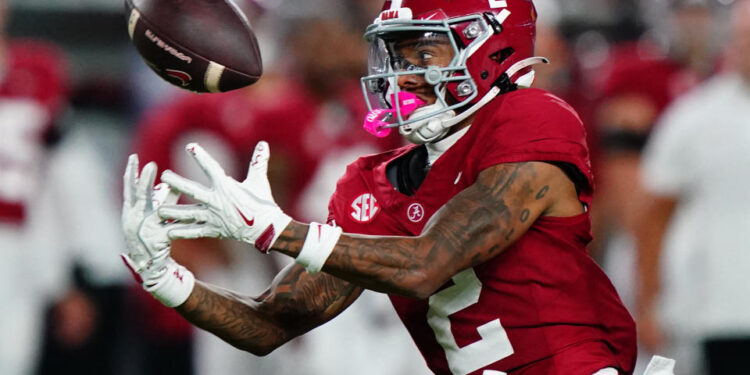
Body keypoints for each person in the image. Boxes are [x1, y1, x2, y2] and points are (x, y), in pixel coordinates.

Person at [121, 1, 643, 374]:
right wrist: (164, 277)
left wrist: (280, 232)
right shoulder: (372, 184)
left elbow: (427, 263)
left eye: (425, 53)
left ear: (494, 49)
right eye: (396, 55)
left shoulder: (532, 119)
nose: (402, 75)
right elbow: (269, 325)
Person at [635, 1, 750, 374]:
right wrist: (648, 302)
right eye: (742, 38)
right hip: (723, 311)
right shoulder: (694, 117)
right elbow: (653, 215)